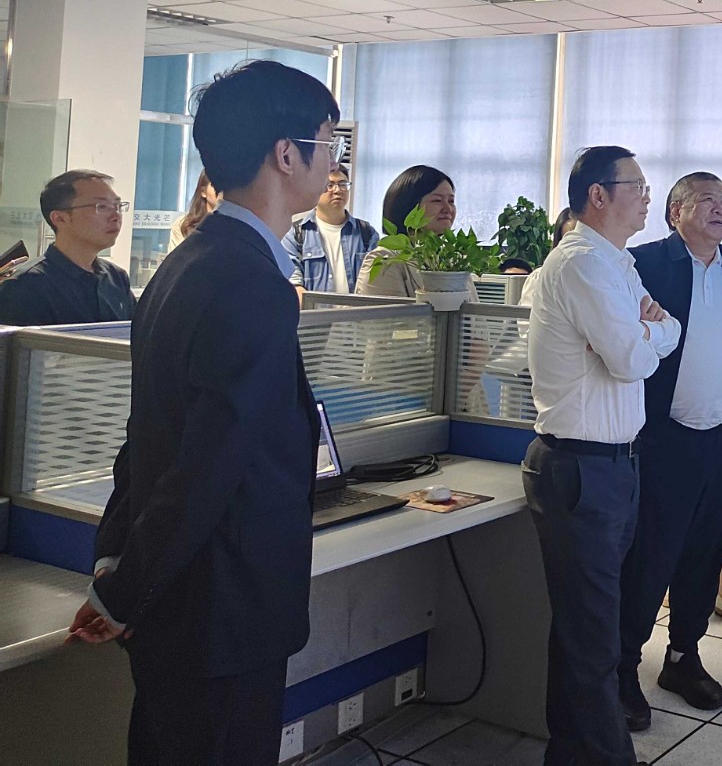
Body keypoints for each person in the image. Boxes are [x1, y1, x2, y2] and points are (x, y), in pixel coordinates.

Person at [66, 60, 339, 766]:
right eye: (328, 140)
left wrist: (117, 565)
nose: (335, 160)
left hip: (186, 605)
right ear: (287, 154)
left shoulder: (188, 263)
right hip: (222, 613)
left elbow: (149, 435)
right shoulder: (251, 283)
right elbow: (209, 466)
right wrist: (126, 590)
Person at [522, 146, 680, 766]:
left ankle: (569, 754)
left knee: (586, 630)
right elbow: (633, 359)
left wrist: (647, 330)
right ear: (598, 195)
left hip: (615, 465)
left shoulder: (618, 262)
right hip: (580, 468)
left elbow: (667, 331)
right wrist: (645, 333)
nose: (647, 197)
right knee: (592, 639)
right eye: (636, 185)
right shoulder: (582, 264)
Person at [618, 173, 722, 731]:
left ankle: (683, 656)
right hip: (664, 440)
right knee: (650, 557)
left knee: (705, 554)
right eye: (706, 200)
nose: (720, 208)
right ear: (674, 212)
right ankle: (622, 667)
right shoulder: (643, 264)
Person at [0, 170, 135, 327]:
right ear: (60, 218)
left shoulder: (116, 277)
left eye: (118, 206)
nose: (116, 216)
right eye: (102, 206)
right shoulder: (26, 285)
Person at [356, 165, 464, 298]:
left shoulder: (450, 259)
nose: (448, 209)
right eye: (437, 200)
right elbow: (386, 312)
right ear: (409, 205)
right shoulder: (385, 259)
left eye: (451, 201)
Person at [284, 164, 379, 296]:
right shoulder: (296, 234)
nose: (337, 190)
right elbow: (294, 284)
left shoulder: (366, 233)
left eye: (343, 184)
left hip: (358, 309)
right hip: (314, 309)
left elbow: (375, 284)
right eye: (330, 184)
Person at [168, 172, 217, 250]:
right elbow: (177, 256)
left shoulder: (234, 223)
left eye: (227, 188)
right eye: (216, 186)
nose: (222, 193)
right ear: (203, 192)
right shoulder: (183, 224)